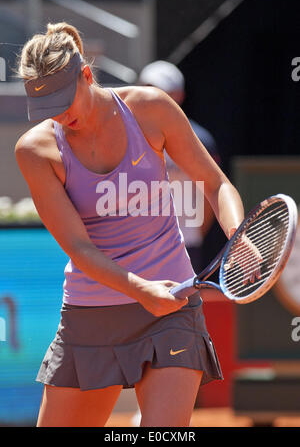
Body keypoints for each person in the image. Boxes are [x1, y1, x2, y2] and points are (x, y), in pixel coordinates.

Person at [15, 22, 245, 427]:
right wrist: (139, 289)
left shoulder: (151, 109)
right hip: (91, 315)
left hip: (171, 309)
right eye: (46, 108)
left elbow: (215, 184)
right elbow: (79, 248)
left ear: (86, 75)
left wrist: (239, 237)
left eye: (63, 102)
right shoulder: (36, 150)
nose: (58, 117)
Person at [139, 60, 221, 274]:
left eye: (159, 91)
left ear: (178, 96)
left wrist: (193, 234)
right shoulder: (127, 136)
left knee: (181, 307)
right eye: (146, 89)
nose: (151, 97)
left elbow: (211, 193)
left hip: (185, 244)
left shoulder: (201, 139)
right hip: (138, 246)